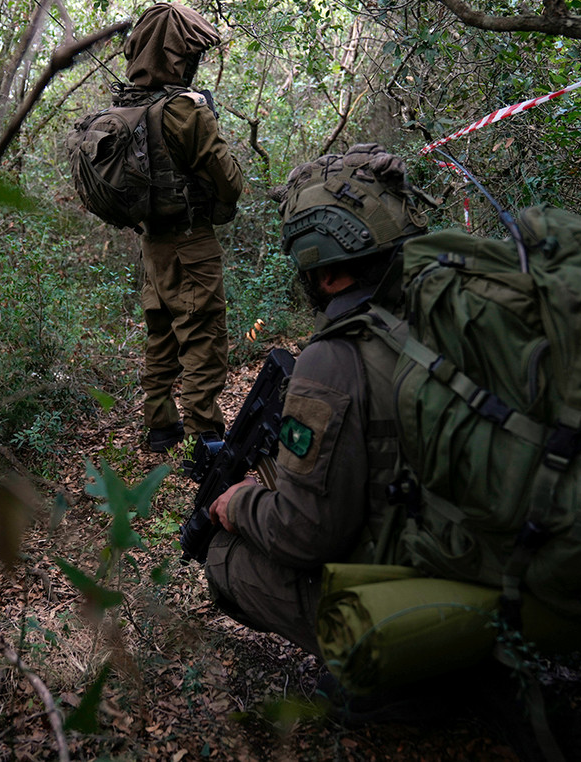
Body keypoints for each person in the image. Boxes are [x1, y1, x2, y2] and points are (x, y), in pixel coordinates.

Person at [203, 144, 432, 657]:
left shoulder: (334, 357)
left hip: (425, 599)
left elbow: (305, 535)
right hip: (501, 568)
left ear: (325, 272)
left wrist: (239, 502)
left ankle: (396, 680)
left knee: (223, 554)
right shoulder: (447, 311)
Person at [117, 3, 244, 452]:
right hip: (192, 241)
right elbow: (230, 181)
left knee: (161, 332)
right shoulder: (186, 110)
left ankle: (160, 425)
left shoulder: (127, 107)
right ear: (179, 57)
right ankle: (204, 439)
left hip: (152, 243)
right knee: (203, 335)